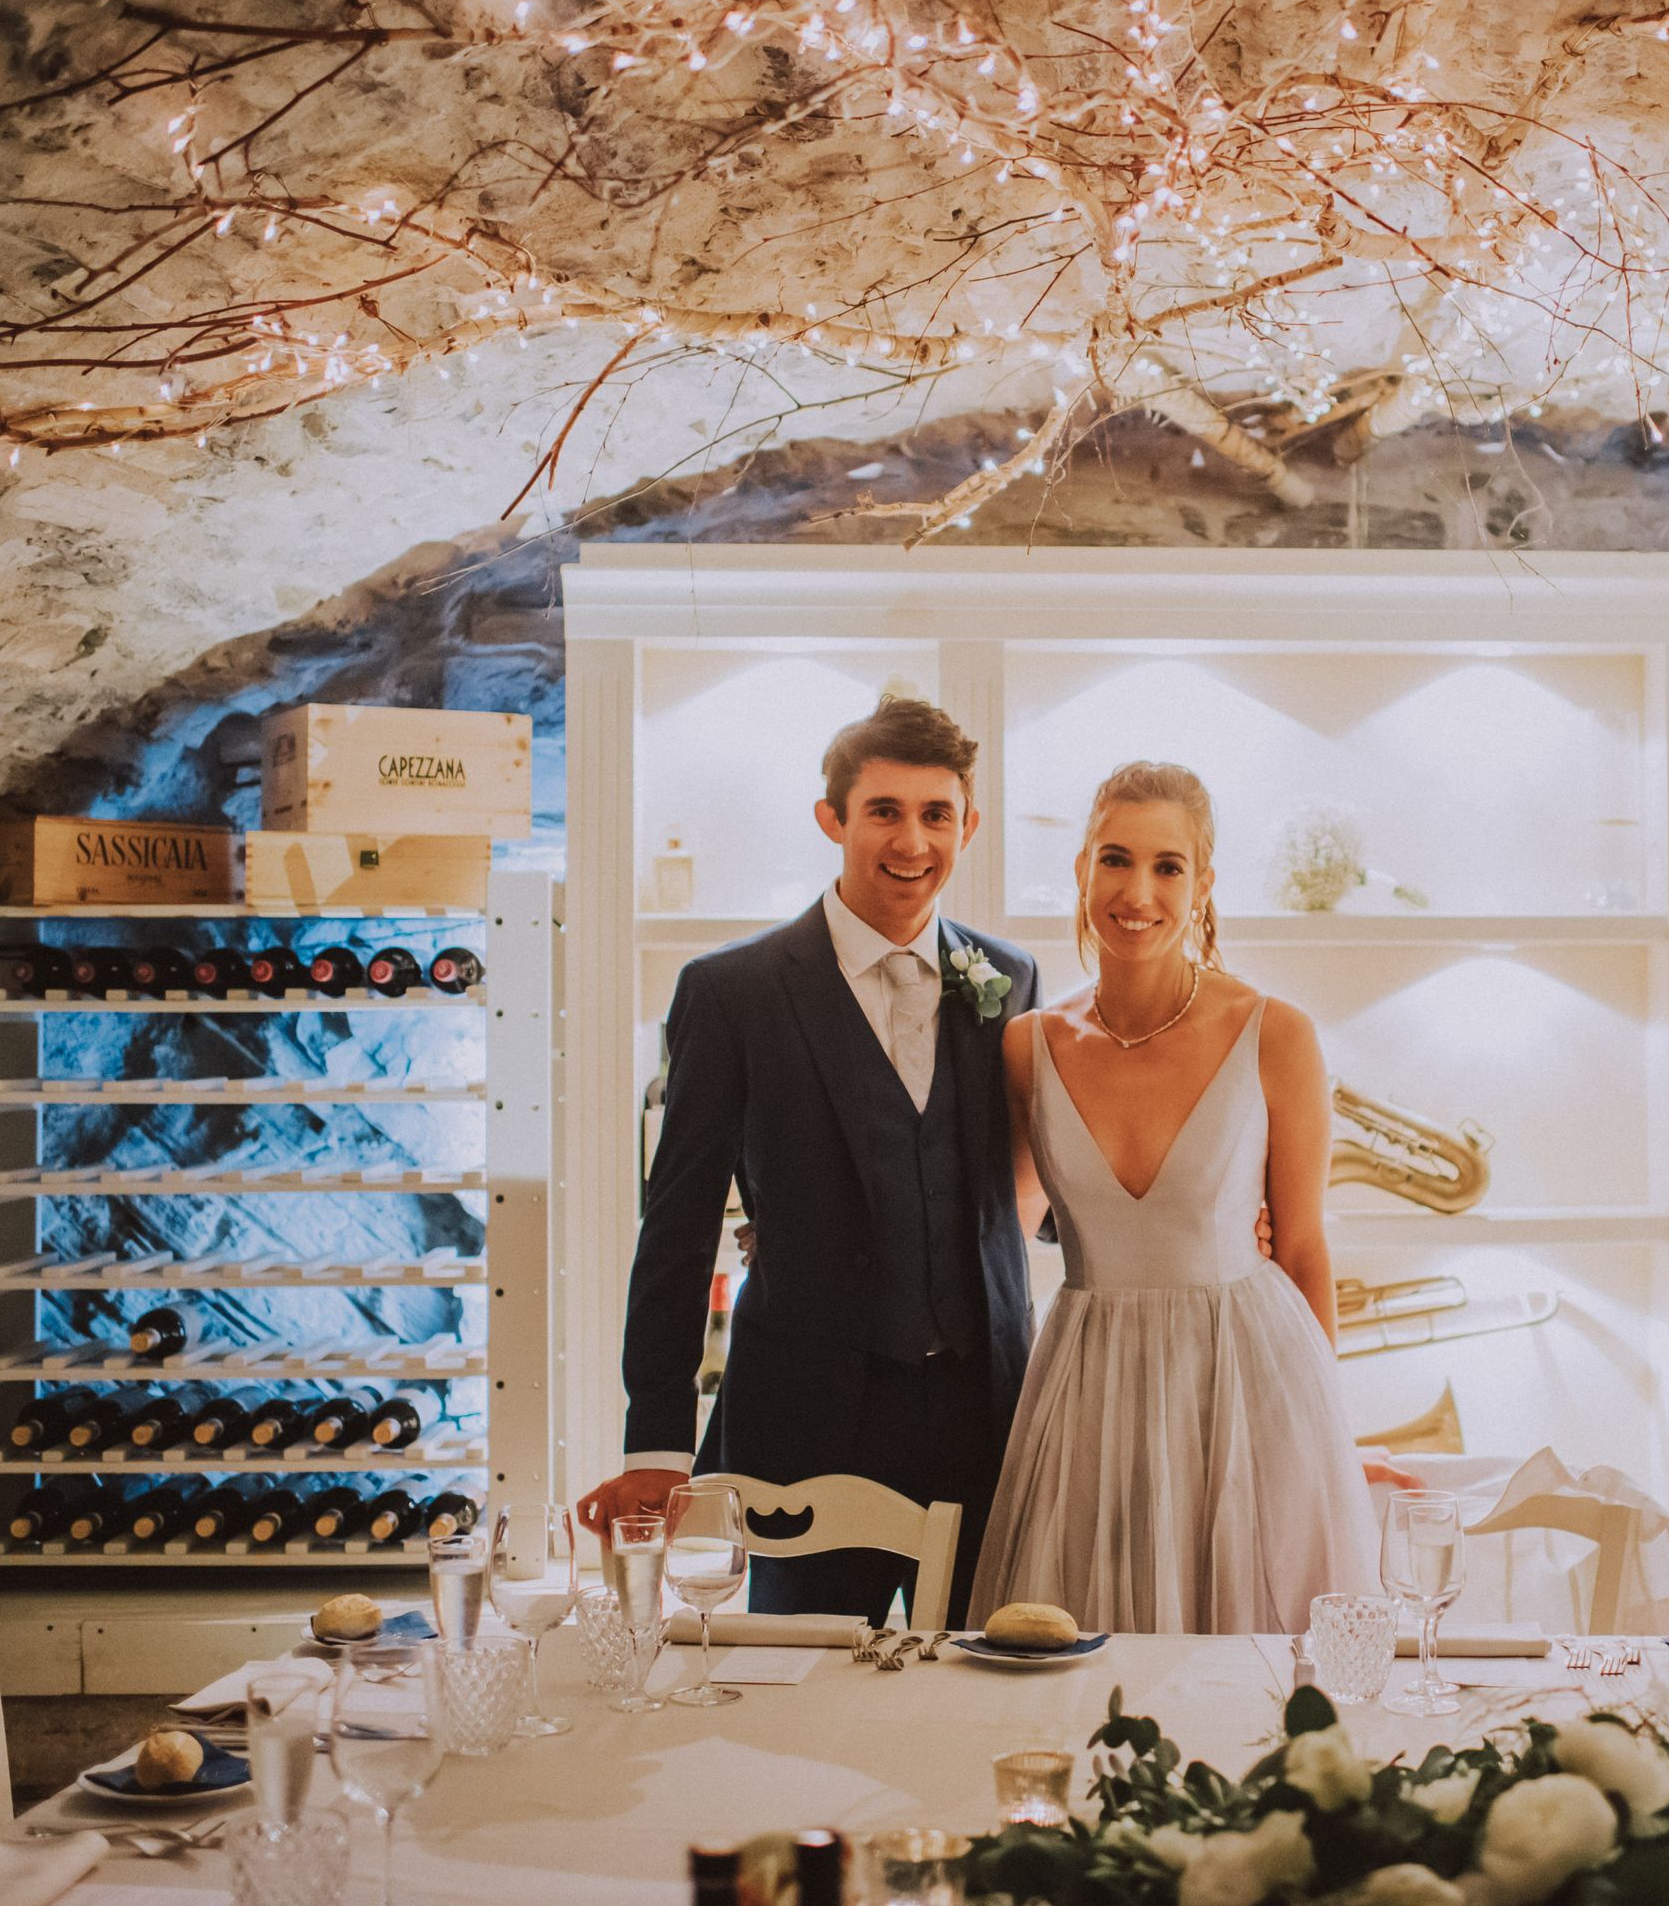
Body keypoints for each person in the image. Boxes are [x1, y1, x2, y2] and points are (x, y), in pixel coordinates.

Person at [577, 695, 1042, 1622]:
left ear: (969, 825)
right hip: (806, 1422)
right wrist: (657, 1449)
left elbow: (1028, 1180)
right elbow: (676, 1229)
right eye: (884, 811)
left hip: (985, 1415)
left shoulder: (1010, 978)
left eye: (935, 814)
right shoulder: (732, 992)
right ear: (833, 819)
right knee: (801, 1717)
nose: (912, 841)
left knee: (982, 1698)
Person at [966, 761, 1383, 1634]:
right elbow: (994, 1235)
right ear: (1082, 869)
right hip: (1088, 1391)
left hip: (1246, 1381)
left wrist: (1326, 1442)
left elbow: (1303, 1247)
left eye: (1168, 867)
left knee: (1256, 1664)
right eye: (1115, 860)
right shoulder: (1026, 1049)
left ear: (1203, 886)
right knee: (1081, 1670)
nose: (1138, 892)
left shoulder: (1275, 1033)